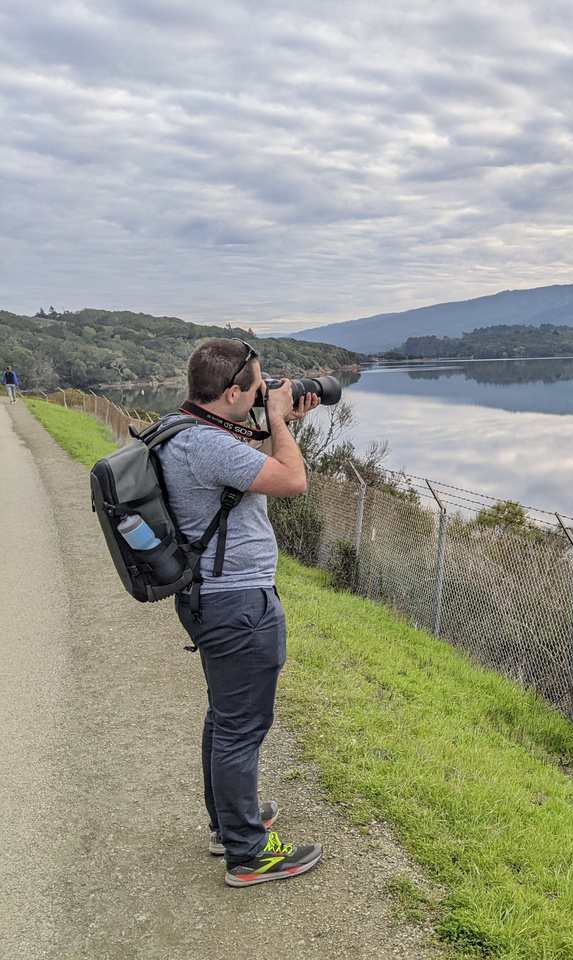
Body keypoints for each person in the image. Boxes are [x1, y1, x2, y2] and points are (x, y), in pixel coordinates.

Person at [156, 338, 322, 887]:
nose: (266, 387)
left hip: (208, 597)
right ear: (232, 392)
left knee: (224, 717)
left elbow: (242, 457)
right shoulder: (208, 447)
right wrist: (279, 421)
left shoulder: (180, 429)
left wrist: (274, 420)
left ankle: (227, 823)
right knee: (241, 728)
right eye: (257, 383)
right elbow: (292, 480)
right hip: (239, 602)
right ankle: (249, 853)